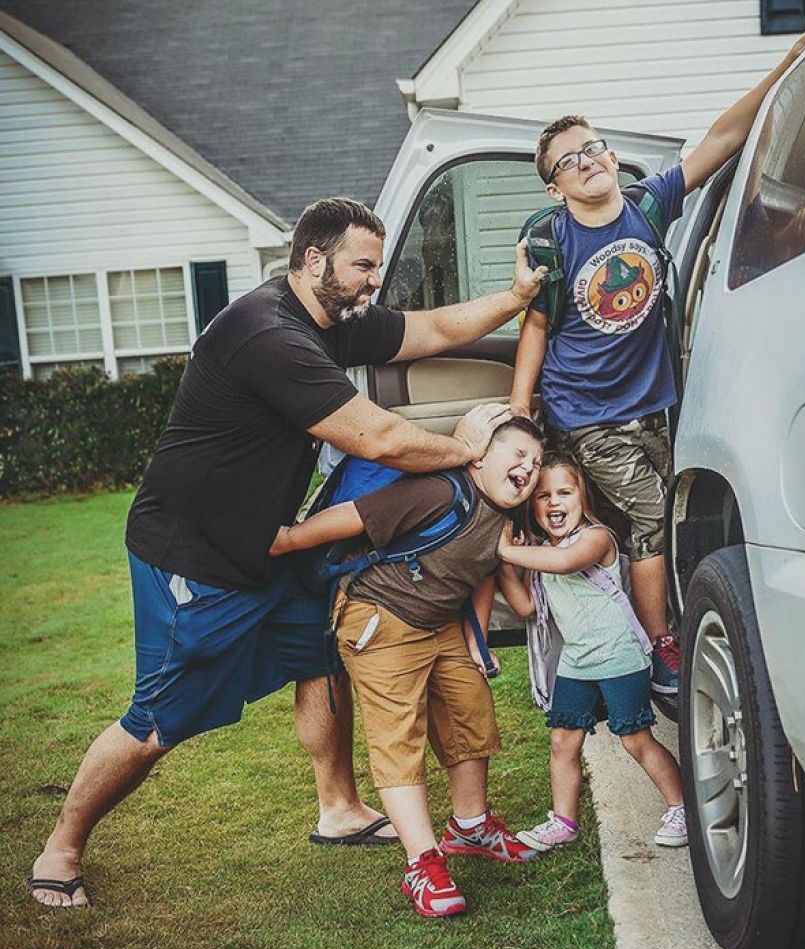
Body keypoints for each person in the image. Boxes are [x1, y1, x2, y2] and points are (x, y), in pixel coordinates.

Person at [28, 197, 548, 908]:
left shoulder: (330, 318)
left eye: (375, 266)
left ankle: (339, 807)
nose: (374, 281)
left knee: (321, 654)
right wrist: (469, 450)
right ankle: (61, 846)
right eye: (363, 266)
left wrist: (515, 297)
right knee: (156, 720)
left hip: (269, 543)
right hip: (194, 554)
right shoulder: (268, 334)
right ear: (313, 259)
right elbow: (379, 439)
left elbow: (430, 330)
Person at [508, 34, 805, 696]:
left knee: (660, 515)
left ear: (611, 156)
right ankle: (659, 648)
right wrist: (517, 410)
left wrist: (783, 73)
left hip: (654, 405)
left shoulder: (649, 204)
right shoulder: (554, 241)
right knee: (650, 515)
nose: (587, 161)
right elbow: (536, 327)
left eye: (593, 147)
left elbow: (722, 136)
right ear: (556, 186)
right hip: (585, 414)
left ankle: (641, 626)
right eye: (569, 160)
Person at [270, 417, 545, 918]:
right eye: (519, 454)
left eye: (537, 463)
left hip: (439, 622)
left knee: (469, 710)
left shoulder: (503, 518)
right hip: (380, 615)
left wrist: (477, 640)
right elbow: (357, 516)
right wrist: (289, 539)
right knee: (398, 737)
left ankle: (470, 828)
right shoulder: (439, 491)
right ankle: (423, 863)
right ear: (479, 457)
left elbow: (481, 573)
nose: (529, 467)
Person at [496, 451, 687, 852]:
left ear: (583, 498)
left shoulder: (596, 538)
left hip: (619, 657)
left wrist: (506, 551)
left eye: (564, 492)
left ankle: (682, 807)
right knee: (562, 742)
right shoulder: (539, 555)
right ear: (532, 507)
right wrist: (505, 567)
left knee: (635, 738)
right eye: (543, 496)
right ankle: (563, 822)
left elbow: (567, 561)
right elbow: (526, 607)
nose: (554, 502)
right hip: (577, 662)